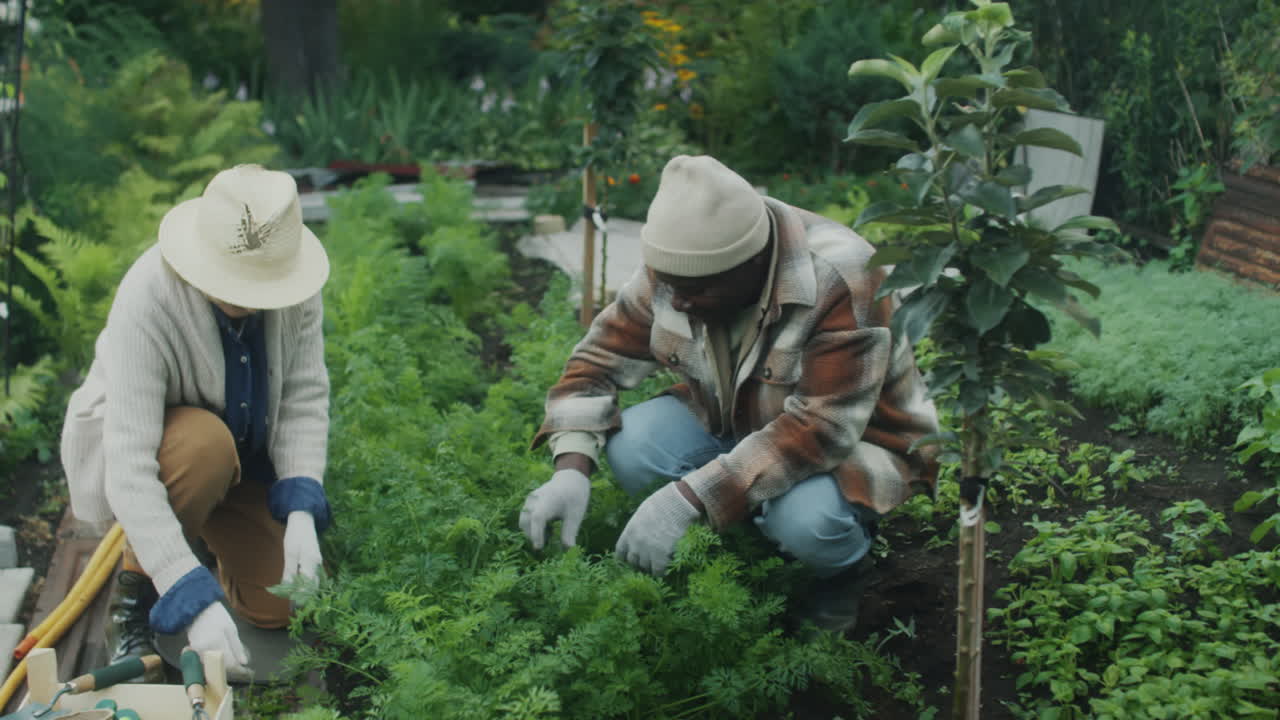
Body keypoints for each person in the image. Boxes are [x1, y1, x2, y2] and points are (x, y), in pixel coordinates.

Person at [519, 155, 939, 632]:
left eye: (696, 292)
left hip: (855, 440)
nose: (676, 302)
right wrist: (570, 469)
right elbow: (596, 363)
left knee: (806, 521)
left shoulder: (844, 277)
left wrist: (689, 498)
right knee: (633, 446)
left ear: (753, 265)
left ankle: (841, 571)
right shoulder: (683, 266)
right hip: (740, 418)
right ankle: (747, 529)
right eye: (670, 286)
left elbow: (821, 431)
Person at [60, 164, 332, 680]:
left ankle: (202, 537)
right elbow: (130, 465)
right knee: (204, 446)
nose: (250, 295)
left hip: (245, 458)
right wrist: (186, 590)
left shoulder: (295, 287)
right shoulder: (149, 296)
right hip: (172, 451)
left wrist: (301, 509)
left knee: (284, 606)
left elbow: (303, 395)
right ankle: (134, 595)